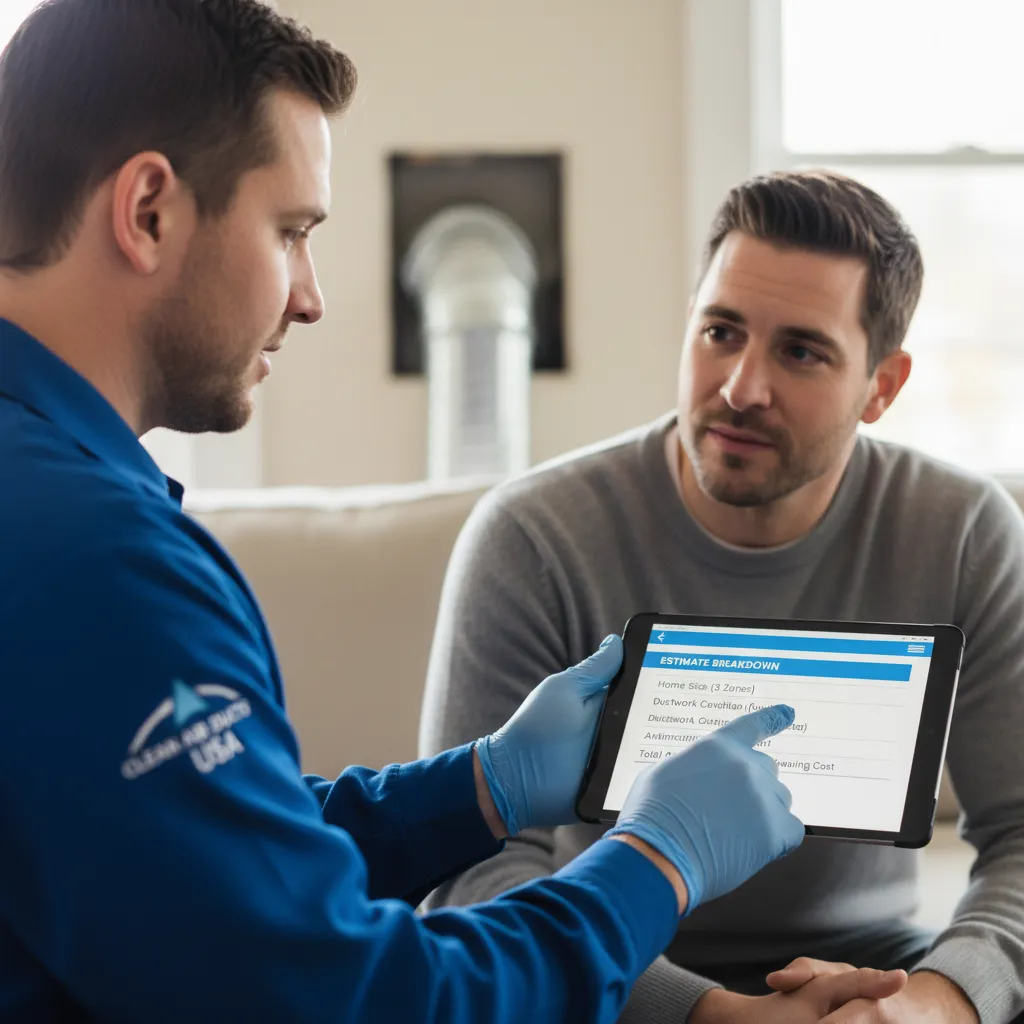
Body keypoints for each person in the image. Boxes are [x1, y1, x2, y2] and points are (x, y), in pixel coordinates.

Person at [0, 0, 869, 1020]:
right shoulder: (100, 563)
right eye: (290, 232)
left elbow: (200, 860)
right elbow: (358, 998)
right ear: (150, 209)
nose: (309, 295)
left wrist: (477, 789)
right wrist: (655, 859)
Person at [420, 169, 1024, 1024]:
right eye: (721, 331)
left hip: (871, 974)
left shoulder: (963, 532)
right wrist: (699, 1013)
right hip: (602, 963)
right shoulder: (532, 536)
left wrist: (935, 1002)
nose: (741, 387)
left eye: (801, 351)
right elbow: (474, 867)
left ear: (882, 385)